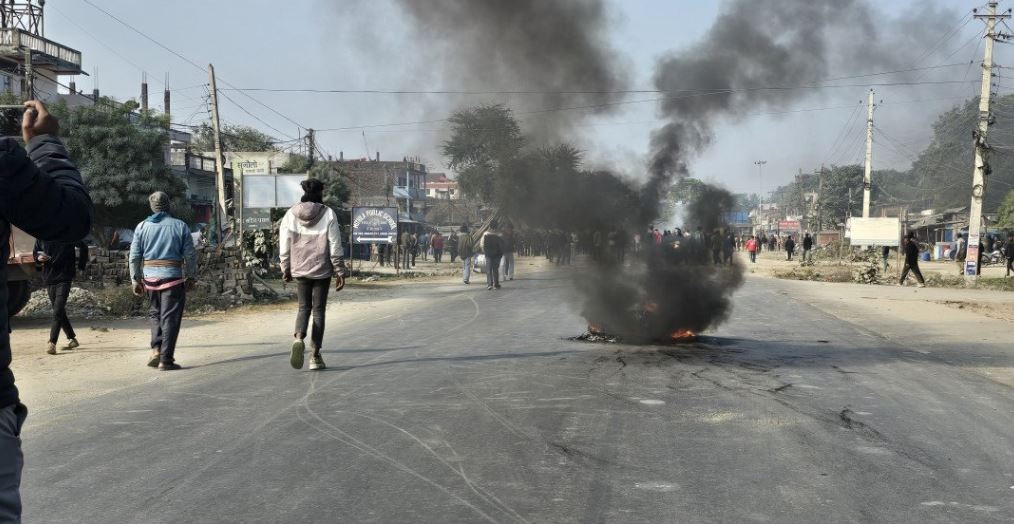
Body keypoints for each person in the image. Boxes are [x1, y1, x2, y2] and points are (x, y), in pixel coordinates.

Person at [0, 100, 92, 520]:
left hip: (54, 274)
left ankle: (61, 338)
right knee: (58, 307)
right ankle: (60, 338)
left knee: (59, 306)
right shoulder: (6, 163)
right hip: (57, 275)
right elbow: (71, 216)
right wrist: (43, 143)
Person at [279, 179, 349, 371]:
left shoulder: (290, 214)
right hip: (322, 270)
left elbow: (284, 245)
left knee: (303, 307)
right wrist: (340, 271)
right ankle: (315, 355)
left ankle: (298, 338)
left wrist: (285, 268)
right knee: (318, 311)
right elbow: (335, 245)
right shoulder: (328, 213)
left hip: (299, 268)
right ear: (320, 193)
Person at [129, 192, 198, 372]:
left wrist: (135, 279)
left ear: (151, 207)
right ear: (169, 206)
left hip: (149, 278)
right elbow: (190, 255)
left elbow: (135, 256)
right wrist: (191, 277)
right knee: (170, 318)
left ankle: (156, 349)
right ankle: (166, 360)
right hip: (173, 278)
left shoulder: (142, 226)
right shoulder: (180, 226)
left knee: (154, 314)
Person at [33, 239, 88, 355]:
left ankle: (52, 342)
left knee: (57, 310)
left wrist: (81, 266)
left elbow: (83, 246)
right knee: (59, 311)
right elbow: (36, 253)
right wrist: (38, 259)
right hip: (49, 277)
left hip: (65, 276)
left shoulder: (67, 234)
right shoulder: (41, 236)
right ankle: (72, 338)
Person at [482, 221, 504, 290]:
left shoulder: (485, 234)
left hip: (488, 254)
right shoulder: (499, 235)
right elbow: (502, 246)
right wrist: (500, 254)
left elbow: (482, 244)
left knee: (488, 269)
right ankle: (496, 284)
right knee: (495, 270)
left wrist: (485, 252)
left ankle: (489, 284)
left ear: (490, 226)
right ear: (496, 226)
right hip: (497, 255)